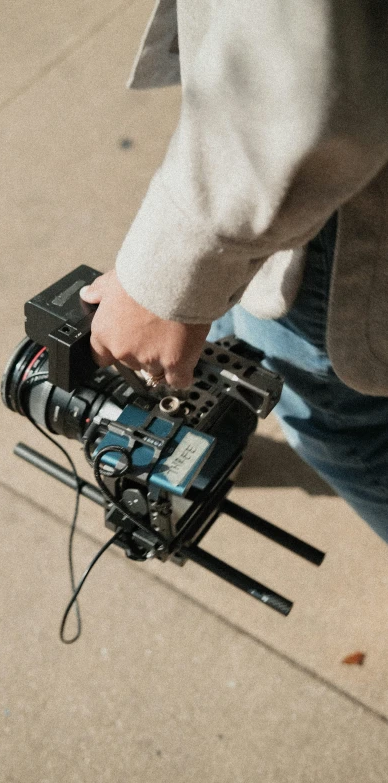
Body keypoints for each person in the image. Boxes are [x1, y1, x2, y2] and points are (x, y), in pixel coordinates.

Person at [80, 0, 388, 539]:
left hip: (330, 206)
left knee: (344, 430)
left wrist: (166, 282)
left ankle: (211, 435)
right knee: (227, 341)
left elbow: (305, 76)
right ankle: (209, 441)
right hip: (301, 176)